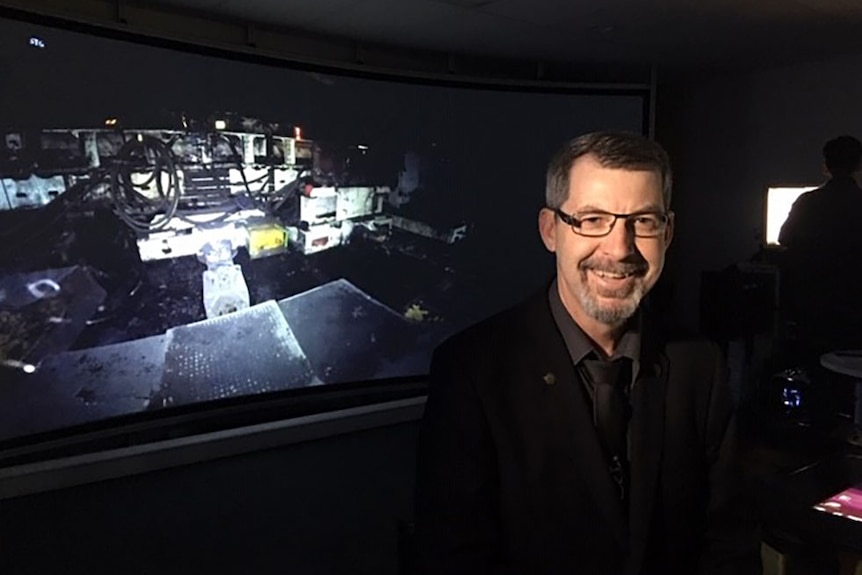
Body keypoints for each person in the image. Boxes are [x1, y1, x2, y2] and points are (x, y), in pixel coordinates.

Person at [413, 131, 761, 575]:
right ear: (549, 230)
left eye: (644, 221)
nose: (619, 249)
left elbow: (729, 544)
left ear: (668, 232)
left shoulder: (700, 366)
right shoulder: (471, 372)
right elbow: (451, 559)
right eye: (593, 219)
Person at [778, 135, 862, 351]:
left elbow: (784, 238)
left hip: (812, 306)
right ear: (858, 165)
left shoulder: (808, 202)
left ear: (826, 165)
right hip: (854, 307)